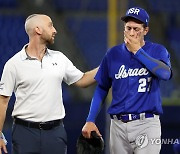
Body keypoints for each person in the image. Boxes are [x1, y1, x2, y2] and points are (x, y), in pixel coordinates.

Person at [0, 14, 98, 154]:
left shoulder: (59, 58)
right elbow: (2, 102)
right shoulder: (13, 64)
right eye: (50, 25)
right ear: (38, 30)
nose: (55, 30)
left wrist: (107, 65)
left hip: (55, 132)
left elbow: (82, 80)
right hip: (24, 133)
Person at [82, 7, 172, 154]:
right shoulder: (113, 54)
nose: (131, 33)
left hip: (146, 124)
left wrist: (138, 52)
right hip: (117, 126)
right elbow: (102, 88)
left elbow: (165, 74)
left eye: (136, 29)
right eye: (128, 28)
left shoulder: (157, 50)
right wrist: (90, 119)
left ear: (145, 31)